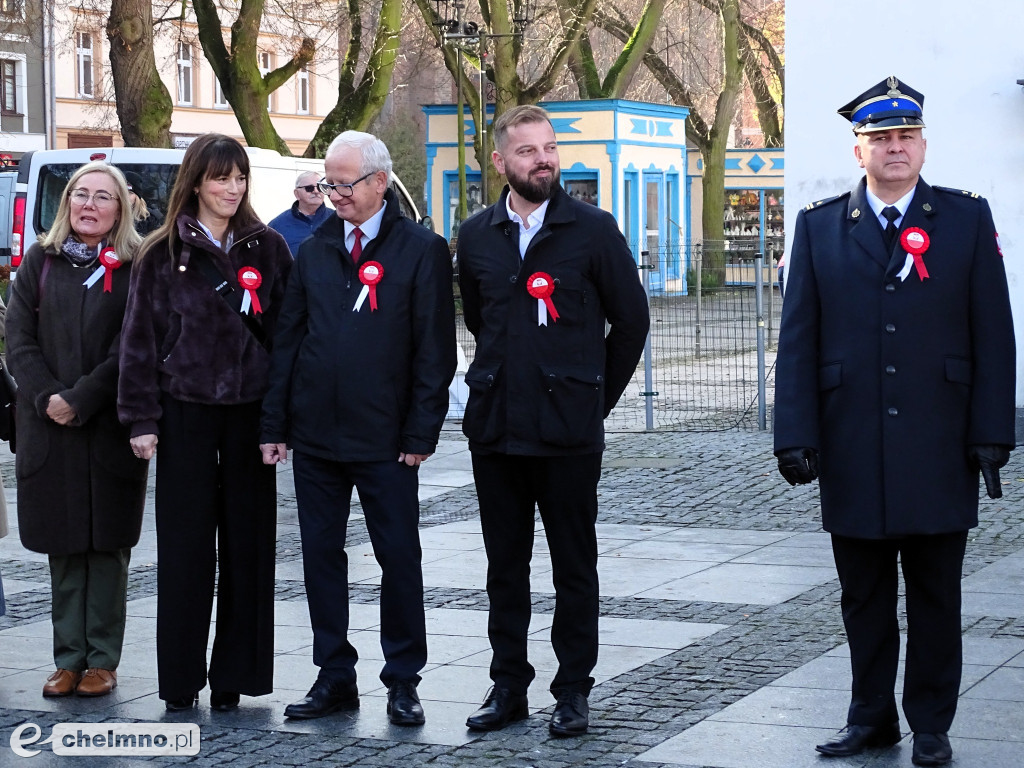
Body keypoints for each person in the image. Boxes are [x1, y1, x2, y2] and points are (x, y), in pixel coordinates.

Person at [774, 77, 1015, 768]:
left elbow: (993, 333)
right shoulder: (820, 226)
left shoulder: (966, 219)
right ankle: (871, 717)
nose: (895, 148)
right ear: (860, 152)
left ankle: (932, 723)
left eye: (905, 136)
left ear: (923, 144)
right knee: (864, 597)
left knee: (937, 595)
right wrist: (795, 432)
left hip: (940, 442)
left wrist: (991, 429)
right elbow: (799, 339)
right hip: (851, 443)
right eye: (881, 139)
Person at [456, 105, 650, 737]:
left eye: (548, 148)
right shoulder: (476, 234)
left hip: (568, 433)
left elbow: (632, 323)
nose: (542, 159)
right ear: (500, 162)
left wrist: (594, 400)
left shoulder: (592, 230)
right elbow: (483, 322)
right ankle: (508, 684)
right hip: (497, 430)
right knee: (502, 566)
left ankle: (573, 690)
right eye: (527, 151)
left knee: (573, 566)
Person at [260, 130, 456, 725]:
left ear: (378, 182)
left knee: (399, 556)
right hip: (317, 435)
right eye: (328, 183)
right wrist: (276, 422)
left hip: (388, 441)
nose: (333, 194)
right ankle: (333, 674)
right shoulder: (315, 250)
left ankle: (403, 679)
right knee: (320, 556)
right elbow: (287, 340)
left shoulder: (421, 249)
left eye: (343, 184)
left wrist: (421, 431)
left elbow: (434, 351)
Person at [118, 133, 292, 712]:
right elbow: (138, 342)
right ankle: (180, 680)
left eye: (239, 177)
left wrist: (279, 423)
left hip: (249, 416)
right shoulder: (161, 252)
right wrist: (141, 417)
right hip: (184, 413)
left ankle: (233, 677)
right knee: (186, 553)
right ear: (196, 182)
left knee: (248, 550)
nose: (232, 188)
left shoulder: (268, 248)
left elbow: (287, 340)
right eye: (221, 177)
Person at [6, 161, 148, 697]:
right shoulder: (40, 261)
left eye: (102, 197)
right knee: (63, 545)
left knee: (108, 547)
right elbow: (17, 338)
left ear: (121, 208)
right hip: (49, 428)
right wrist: (49, 398)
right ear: (67, 203)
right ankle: (68, 659)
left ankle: (102, 661)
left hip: (108, 423)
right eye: (80, 195)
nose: (89, 205)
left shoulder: (135, 266)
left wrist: (83, 397)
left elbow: (134, 345)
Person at [267, 170, 334, 256]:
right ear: (297, 194)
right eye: (309, 188)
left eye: (320, 187)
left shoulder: (338, 219)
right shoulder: (277, 225)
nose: (316, 191)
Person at [122, 170, 162, 236]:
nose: (125, 197)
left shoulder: (150, 219)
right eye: (122, 193)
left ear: (137, 197)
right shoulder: (109, 216)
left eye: (130, 193)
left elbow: (156, 242)